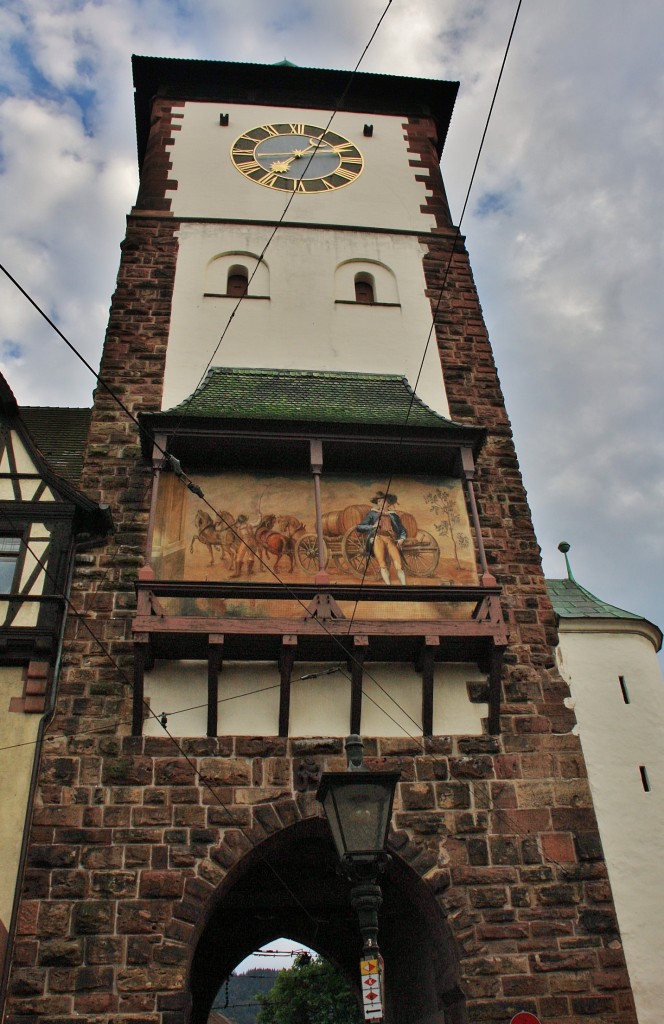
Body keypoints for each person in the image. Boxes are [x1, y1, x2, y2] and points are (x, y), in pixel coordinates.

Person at [355, 492, 407, 585]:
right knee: (382, 564)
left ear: (388, 503)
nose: (381, 503)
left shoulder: (393, 515)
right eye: (379, 501)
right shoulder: (373, 513)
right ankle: (388, 586)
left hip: (390, 539)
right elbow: (359, 527)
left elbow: (402, 529)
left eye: (384, 501)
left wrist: (402, 538)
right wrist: (372, 526)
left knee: (399, 564)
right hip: (377, 538)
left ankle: (404, 586)